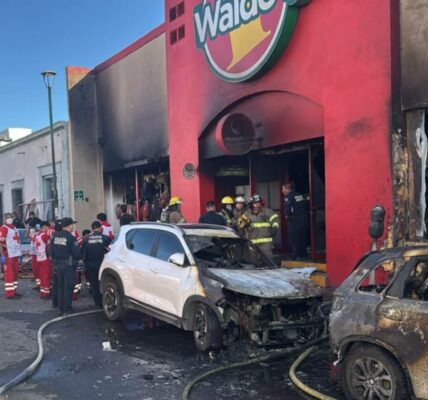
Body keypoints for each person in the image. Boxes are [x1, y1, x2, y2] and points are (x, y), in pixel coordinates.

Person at [49, 217, 81, 315]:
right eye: (72, 225)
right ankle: (67, 309)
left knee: (60, 287)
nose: (73, 227)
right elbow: (77, 254)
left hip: (58, 264)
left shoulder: (55, 237)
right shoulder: (71, 238)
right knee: (68, 287)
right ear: (69, 226)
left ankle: (61, 308)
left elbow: (51, 252)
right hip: (68, 266)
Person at [82, 221, 111, 307]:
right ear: (100, 228)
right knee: (104, 283)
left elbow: (83, 252)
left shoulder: (86, 239)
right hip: (102, 264)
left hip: (90, 264)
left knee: (94, 284)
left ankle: (97, 303)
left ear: (92, 229)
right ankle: (106, 302)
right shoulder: (106, 238)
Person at [282, 182, 309, 260]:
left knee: (295, 238)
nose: (282, 191)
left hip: (294, 220)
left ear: (287, 189)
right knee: (302, 237)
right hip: (303, 219)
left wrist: (287, 215)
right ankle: (304, 254)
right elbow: (304, 204)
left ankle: (296, 255)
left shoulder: (289, 196)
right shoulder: (299, 195)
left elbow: (288, 207)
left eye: (283, 189)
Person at [0, 213, 23, 299]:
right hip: (8, 254)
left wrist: (19, 253)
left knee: (15, 274)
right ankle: (9, 294)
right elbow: (0, 243)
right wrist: (2, 255)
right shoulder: (4, 228)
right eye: (7, 217)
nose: (9, 219)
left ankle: (14, 291)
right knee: (9, 274)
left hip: (15, 254)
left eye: (10, 217)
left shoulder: (14, 228)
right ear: (4, 219)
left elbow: (16, 241)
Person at [35, 221, 52, 299]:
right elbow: (49, 244)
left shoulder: (38, 235)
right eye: (48, 227)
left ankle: (42, 292)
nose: (48, 229)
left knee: (42, 276)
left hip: (39, 258)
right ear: (44, 227)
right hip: (45, 258)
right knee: (46, 276)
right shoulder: (44, 235)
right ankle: (46, 293)